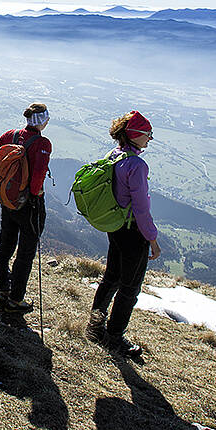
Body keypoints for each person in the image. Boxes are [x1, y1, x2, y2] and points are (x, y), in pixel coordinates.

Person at [85, 110, 161, 357]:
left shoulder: (114, 156)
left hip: (115, 228)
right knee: (130, 288)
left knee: (112, 277)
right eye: (148, 134)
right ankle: (115, 337)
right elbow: (141, 207)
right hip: (133, 232)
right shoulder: (136, 165)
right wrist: (153, 239)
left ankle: (95, 326)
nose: (150, 139)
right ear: (136, 135)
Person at [0, 103, 52, 314]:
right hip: (29, 205)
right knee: (26, 252)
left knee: (6, 244)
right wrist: (34, 193)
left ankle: (4, 290)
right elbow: (38, 177)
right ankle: (16, 299)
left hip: (7, 200)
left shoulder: (11, 135)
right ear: (43, 121)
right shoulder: (42, 143)